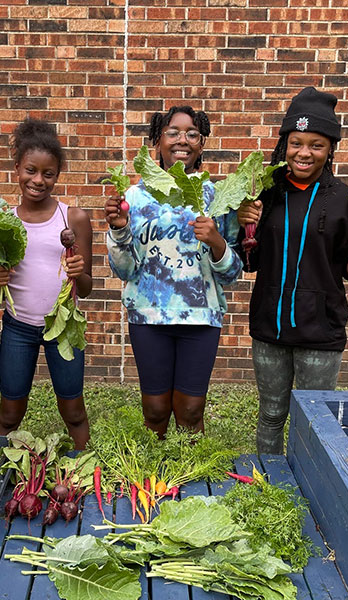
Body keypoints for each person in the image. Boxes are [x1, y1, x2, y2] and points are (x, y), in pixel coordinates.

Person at [236, 86, 348, 454]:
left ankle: (309, 490)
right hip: (269, 327)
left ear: (330, 149)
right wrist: (243, 225)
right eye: (296, 143)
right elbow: (250, 262)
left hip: (321, 330)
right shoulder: (265, 192)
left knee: (315, 420)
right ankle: (268, 484)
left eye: (316, 144)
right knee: (272, 414)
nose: (304, 152)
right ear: (285, 144)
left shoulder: (345, 199)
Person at [105, 106, 243, 436]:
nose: (182, 140)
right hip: (149, 317)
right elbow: (123, 270)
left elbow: (232, 272)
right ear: (157, 140)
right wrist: (120, 229)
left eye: (192, 134)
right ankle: (155, 481)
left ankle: (189, 480)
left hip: (200, 317)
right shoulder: (135, 197)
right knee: (154, 410)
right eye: (172, 133)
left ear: (202, 143)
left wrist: (216, 240)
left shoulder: (219, 195)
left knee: (191, 410)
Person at [0, 118, 92, 450]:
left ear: (57, 175)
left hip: (63, 327)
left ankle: (81, 470)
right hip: (18, 328)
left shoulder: (72, 218)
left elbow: (87, 287)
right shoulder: (4, 220)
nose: (38, 180)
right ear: (17, 167)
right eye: (31, 170)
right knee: (9, 412)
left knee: (74, 411)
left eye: (48, 174)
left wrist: (79, 273)